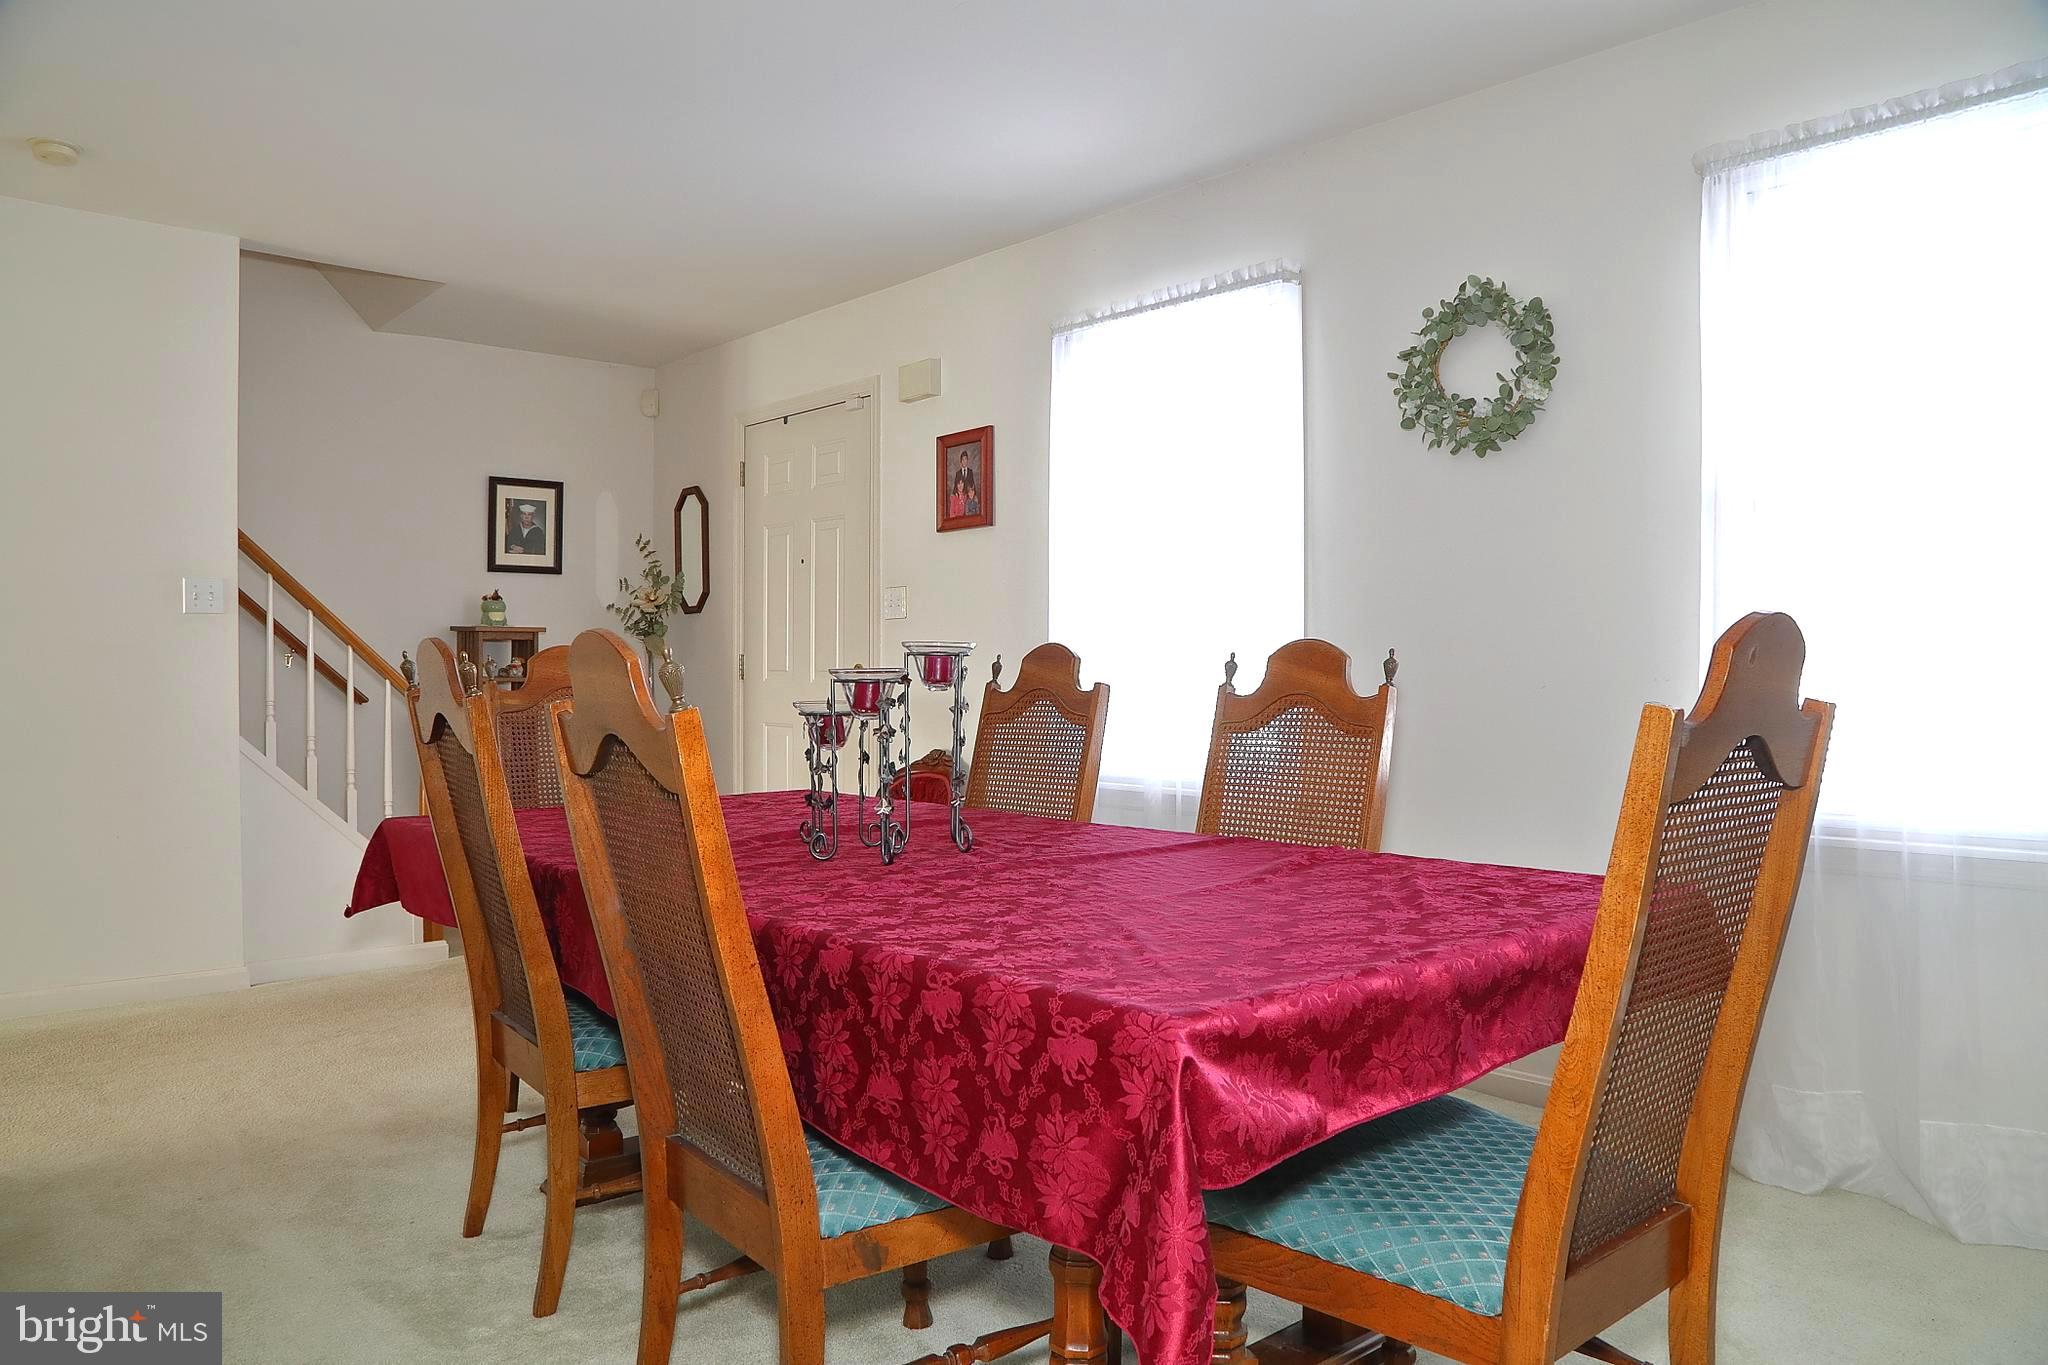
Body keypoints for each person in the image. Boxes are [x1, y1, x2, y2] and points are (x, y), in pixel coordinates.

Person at [948, 450, 980, 519]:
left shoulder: (970, 471)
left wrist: (975, 496)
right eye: (963, 460)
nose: (964, 461)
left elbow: (973, 484)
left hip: (968, 495)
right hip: (960, 495)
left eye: (966, 459)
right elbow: (955, 485)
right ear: (960, 461)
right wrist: (954, 494)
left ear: (967, 461)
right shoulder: (958, 473)